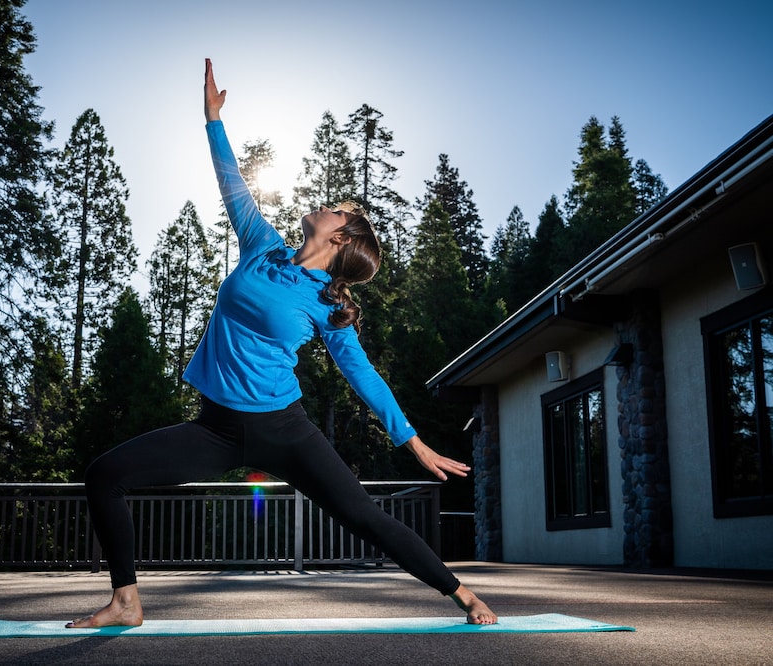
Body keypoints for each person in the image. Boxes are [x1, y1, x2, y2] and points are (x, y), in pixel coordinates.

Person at [67, 58, 497, 628]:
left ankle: (462, 593)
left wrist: (412, 441)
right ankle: (126, 601)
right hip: (216, 428)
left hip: (283, 429)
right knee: (104, 474)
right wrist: (212, 121)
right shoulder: (261, 247)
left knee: (363, 516)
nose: (325, 204)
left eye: (337, 209)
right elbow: (232, 183)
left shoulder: (327, 303)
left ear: (339, 236)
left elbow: (361, 373)